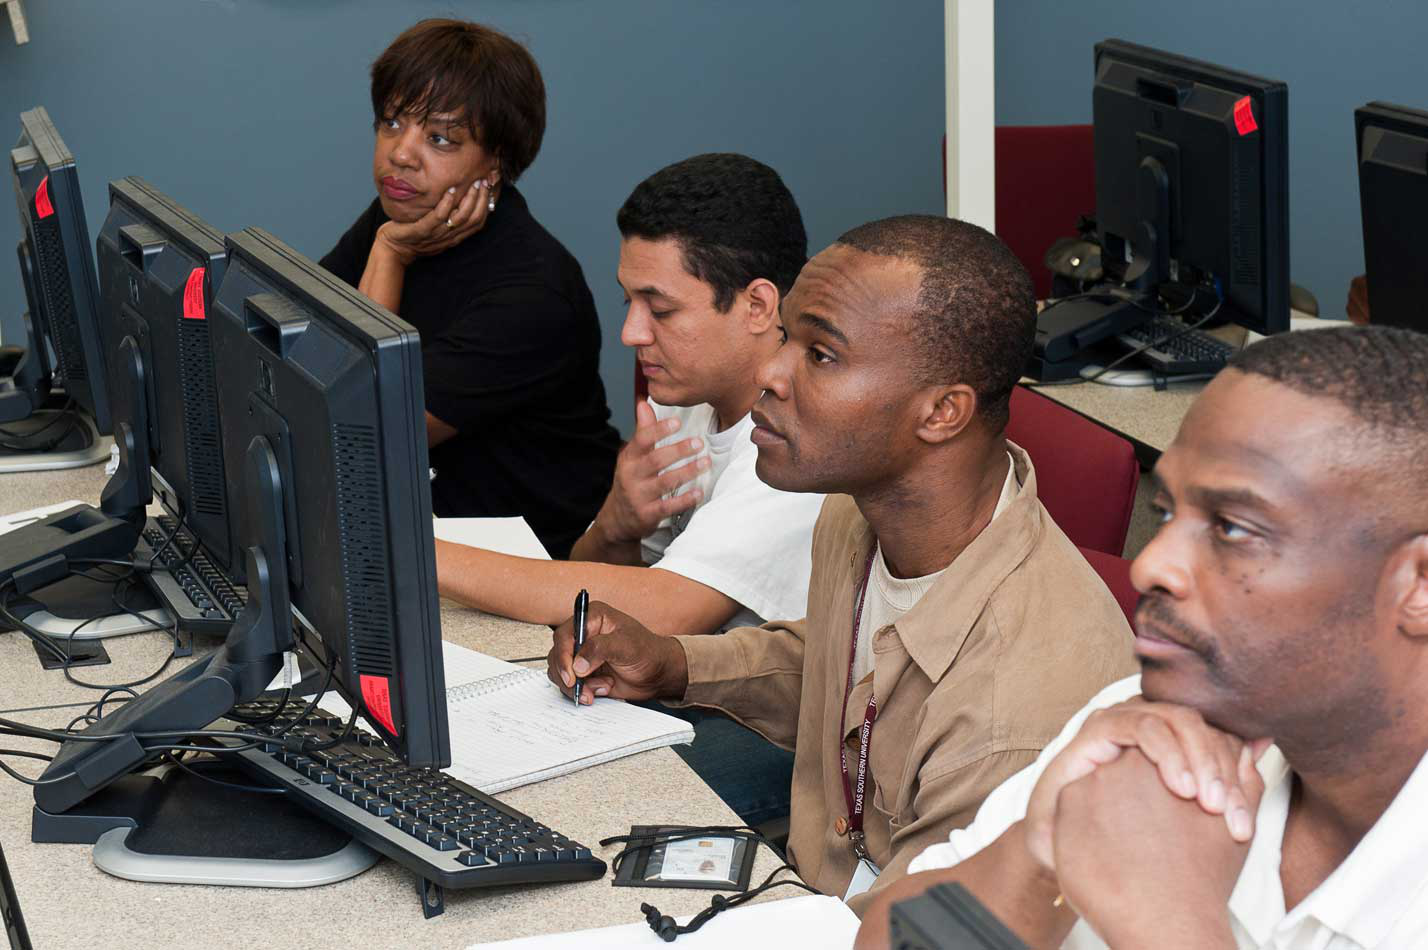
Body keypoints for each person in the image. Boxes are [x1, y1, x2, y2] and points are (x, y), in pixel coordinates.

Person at [546, 215, 1136, 912]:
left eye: (820, 355)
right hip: (811, 897)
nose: (768, 371)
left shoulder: (1013, 719)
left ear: (943, 412)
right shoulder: (858, 510)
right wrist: (673, 662)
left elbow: (917, 930)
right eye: (787, 337)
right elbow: (846, 674)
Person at [856, 325, 1428, 949]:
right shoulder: (1149, 722)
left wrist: (1165, 923)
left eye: (1233, 528)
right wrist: (1040, 853)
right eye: (1167, 512)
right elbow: (885, 937)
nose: (1151, 564)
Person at [439, 153, 824, 826]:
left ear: (759, 305)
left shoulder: (801, 441)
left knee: (543, 807)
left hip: (782, 734)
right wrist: (615, 527)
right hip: (683, 690)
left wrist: (409, 552)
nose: (631, 333)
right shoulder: (687, 401)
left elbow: (667, 609)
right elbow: (610, 598)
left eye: (661, 309)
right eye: (630, 301)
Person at [319, 18, 621, 558]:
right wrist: (389, 246)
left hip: (531, 571)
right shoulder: (400, 214)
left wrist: (390, 256)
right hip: (422, 542)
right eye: (391, 123)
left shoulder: (533, 293)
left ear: (496, 165)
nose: (401, 153)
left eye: (439, 138)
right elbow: (302, 359)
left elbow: (359, 434)